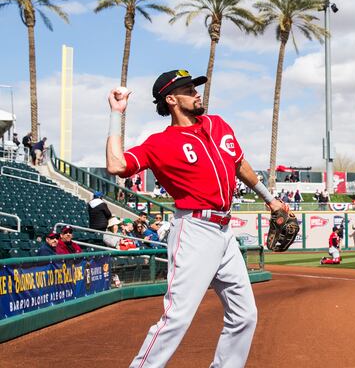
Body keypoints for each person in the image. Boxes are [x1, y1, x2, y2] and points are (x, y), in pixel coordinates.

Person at [104, 70, 287, 367]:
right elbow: (116, 164)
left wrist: (270, 199)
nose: (196, 92)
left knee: (244, 315)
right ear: (172, 99)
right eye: (188, 89)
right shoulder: (160, 143)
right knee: (177, 317)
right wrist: (116, 113)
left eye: (195, 87)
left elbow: (239, 164)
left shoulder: (217, 124)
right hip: (194, 230)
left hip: (224, 232)